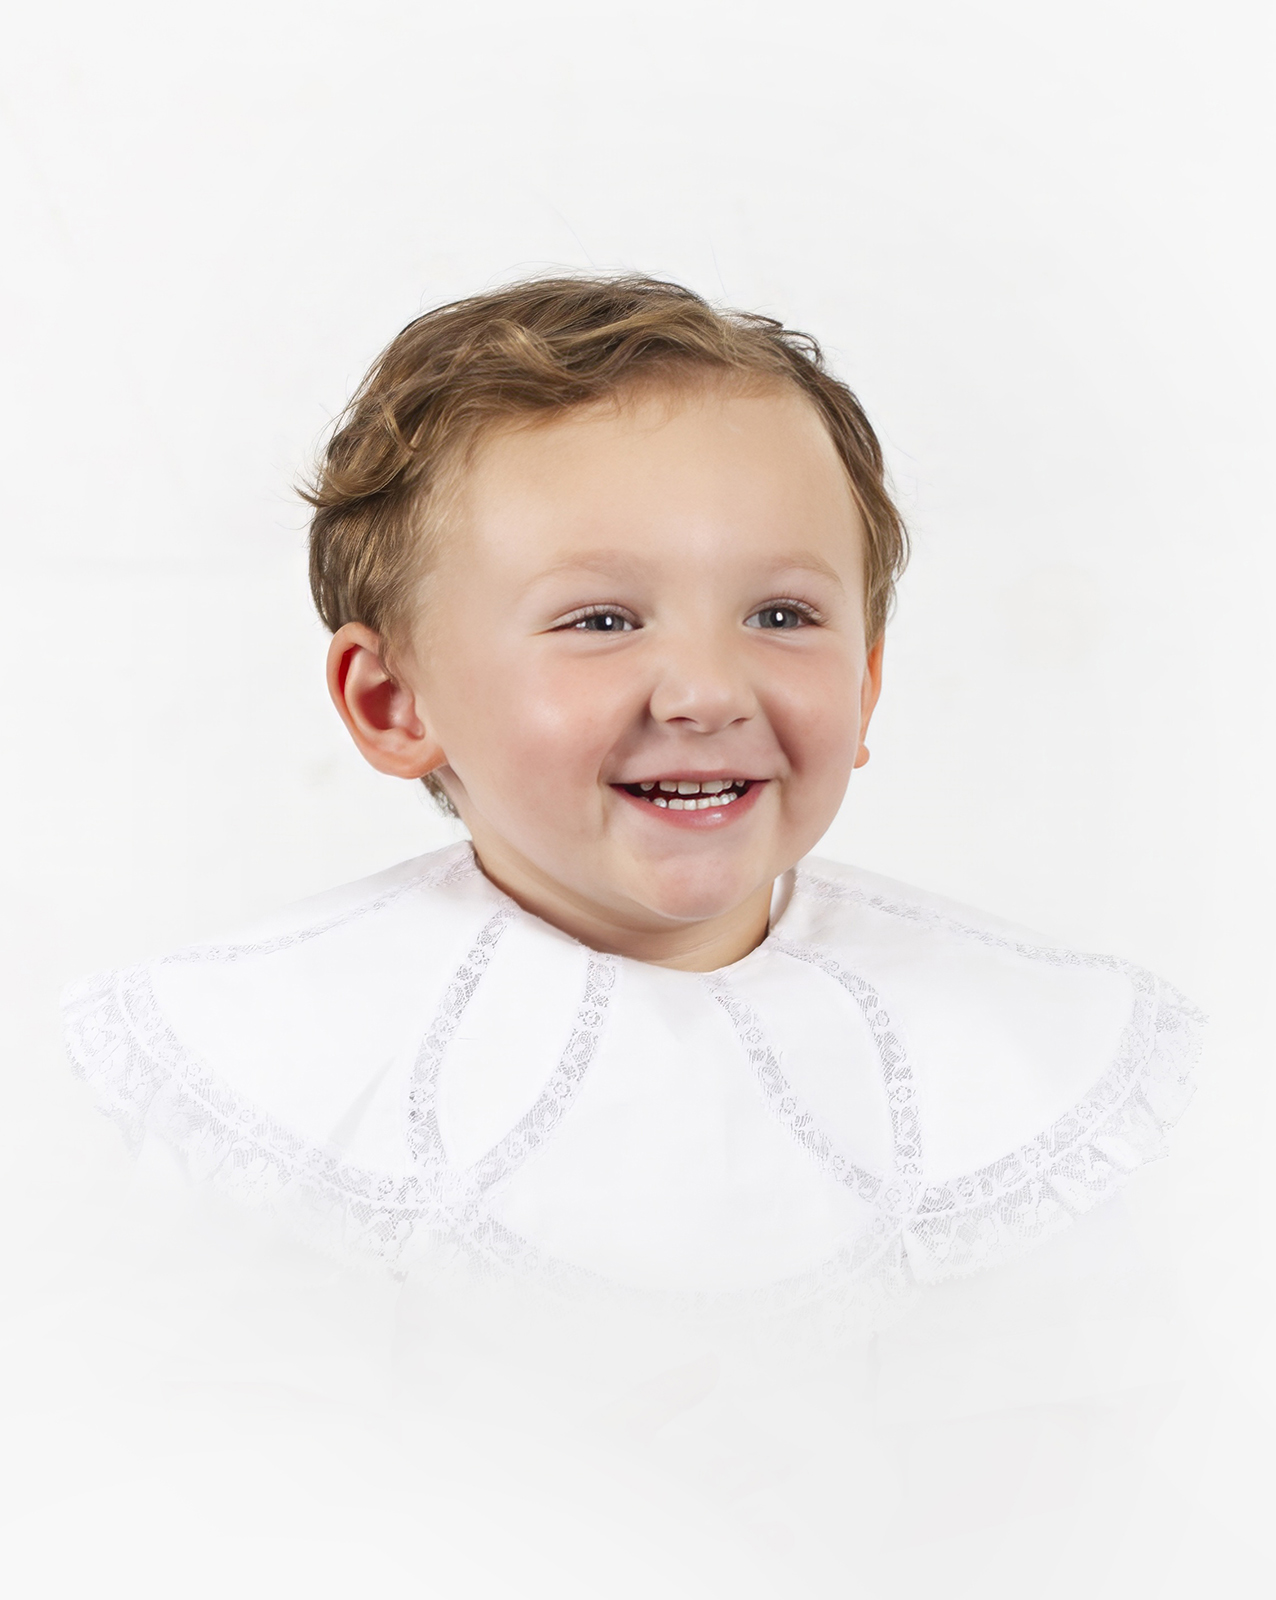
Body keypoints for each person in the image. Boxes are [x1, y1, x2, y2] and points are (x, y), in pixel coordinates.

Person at [59, 275, 1205, 1596]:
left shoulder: (1036, 1071)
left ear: (870, 678)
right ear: (393, 700)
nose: (710, 689)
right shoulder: (265, 1075)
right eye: (601, 620)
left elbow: (1100, 1497)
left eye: (783, 616)